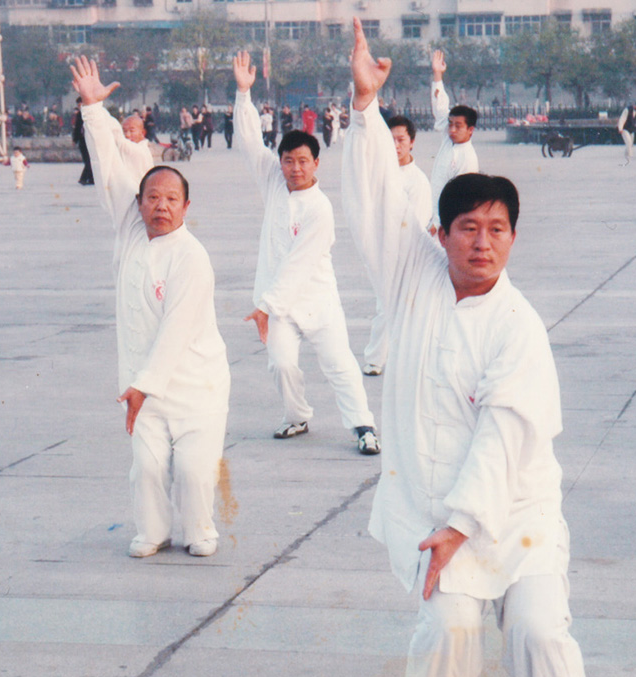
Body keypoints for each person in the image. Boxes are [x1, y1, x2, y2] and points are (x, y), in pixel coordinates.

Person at [341, 20, 600, 677]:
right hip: (432, 504)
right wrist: (365, 109)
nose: (481, 242)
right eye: (467, 228)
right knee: (450, 625)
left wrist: (464, 525)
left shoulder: (519, 327)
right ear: (441, 232)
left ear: (513, 238)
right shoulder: (413, 276)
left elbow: (505, 437)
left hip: (513, 511)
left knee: (536, 629)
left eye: (496, 229)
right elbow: (371, 203)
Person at [70, 57, 231, 559]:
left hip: (196, 385)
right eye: (152, 197)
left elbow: (176, 331)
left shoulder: (192, 258)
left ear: (186, 207)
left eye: (171, 199)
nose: (160, 206)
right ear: (139, 203)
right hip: (141, 384)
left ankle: (200, 530)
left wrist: (143, 386)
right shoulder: (131, 231)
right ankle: (153, 531)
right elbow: (107, 171)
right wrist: (93, 110)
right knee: (145, 466)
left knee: (193, 471)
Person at [232, 51, 380, 456]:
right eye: (288, 161)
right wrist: (243, 95)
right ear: (280, 163)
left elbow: (298, 266)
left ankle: (364, 426)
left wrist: (265, 305)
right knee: (281, 363)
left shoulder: (320, 209)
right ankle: (297, 416)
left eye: (302, 161)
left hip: (316, 301)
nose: (295, 168)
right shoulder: (273, 182)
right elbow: (249, 143)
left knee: (340, 365)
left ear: (316, 163)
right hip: (277, 306)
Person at [360, 113, 431, 377]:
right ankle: (378, 358)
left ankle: (387, 359)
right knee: (386, 305)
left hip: (407, 252)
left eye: (401, 140)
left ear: (412, 142)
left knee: (401, 307)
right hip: (382, 249)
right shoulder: (380, 173)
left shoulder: (417, 181)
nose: (396, 145)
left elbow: (416, 223)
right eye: (391, 140)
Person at [428, 50, 479, 231]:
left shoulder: (468, 158)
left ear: (470, 130)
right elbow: (440, 107)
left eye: (458, 126)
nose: (452, 130)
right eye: (450, 124)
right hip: (432, 216)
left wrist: (438, 224)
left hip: (446, 224)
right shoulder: (448, 140)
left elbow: (460, 198)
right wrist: (437, 75)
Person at [118, 113, 155, 184]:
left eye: (131, 131)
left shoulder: (139, 150)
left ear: (143, 133)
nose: (127, 135)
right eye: (124, 131)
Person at [616, 99, 636, 166]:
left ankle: (626, 156)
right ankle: (630, 157)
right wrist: (620, 128)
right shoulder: (627, 110)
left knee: (630, 144)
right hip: (624, 129)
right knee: (628, 142)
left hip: (631, 129)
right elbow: (622, 119)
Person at [73, 100, 94, 185]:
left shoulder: (89, 114)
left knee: (90, 160)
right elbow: (77, 128)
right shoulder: (80, 115)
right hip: (83, 140)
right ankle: (84, 178)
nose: (79, 106)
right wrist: (75, 139)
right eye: (78, 105)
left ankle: (89, 178)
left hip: (90, 140)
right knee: (88, 160)